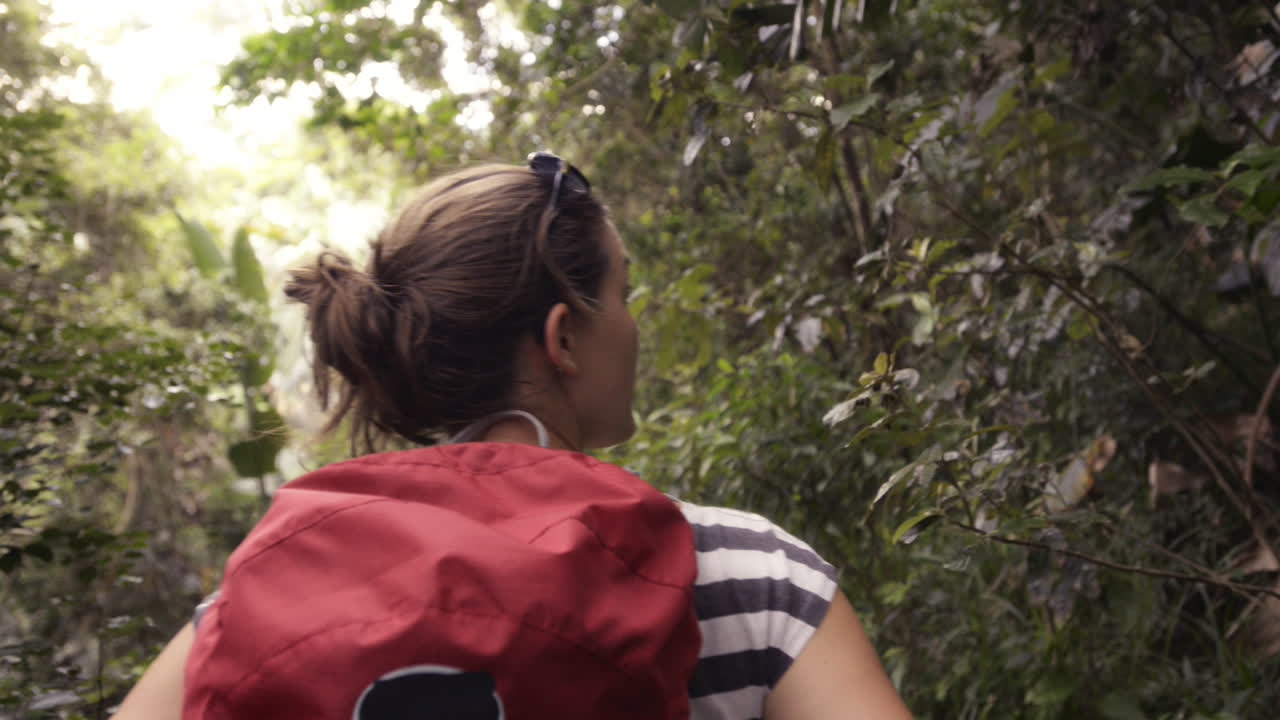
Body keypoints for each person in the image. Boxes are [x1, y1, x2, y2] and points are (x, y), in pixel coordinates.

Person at [110, 154, 912, 720]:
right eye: (625, 293)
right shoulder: (751, 577)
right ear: (562, 338)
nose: (636, 323)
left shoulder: (263, 597)